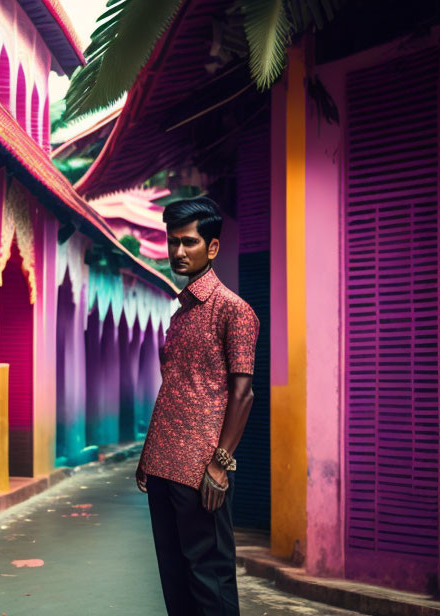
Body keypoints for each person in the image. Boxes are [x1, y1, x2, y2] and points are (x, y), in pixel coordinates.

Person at [135, 196, 259, 616]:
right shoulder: (180, 315)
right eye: (173, 242)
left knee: (210, 577)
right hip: (163, 465)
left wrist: (220, 466)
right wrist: (147, 455)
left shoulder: (234, 311)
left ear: (213, 247)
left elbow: (243, 394)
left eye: (188, 242)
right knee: (174, 577)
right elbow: (173, 388)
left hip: (201, 471)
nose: (178, 252)